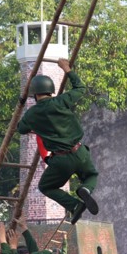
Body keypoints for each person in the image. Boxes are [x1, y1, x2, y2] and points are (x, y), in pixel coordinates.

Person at [17, 58, 99, 224]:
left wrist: (22, 105)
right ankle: (85, 189)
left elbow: (21, 129)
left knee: (46, 187)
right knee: (91, 175)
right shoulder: (61, 101)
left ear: (34, 93)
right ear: (51, 90)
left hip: (60, 160)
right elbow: (80, 88)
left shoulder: (31, 115)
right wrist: (67, 69)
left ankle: (75, 206)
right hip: (80, 151)